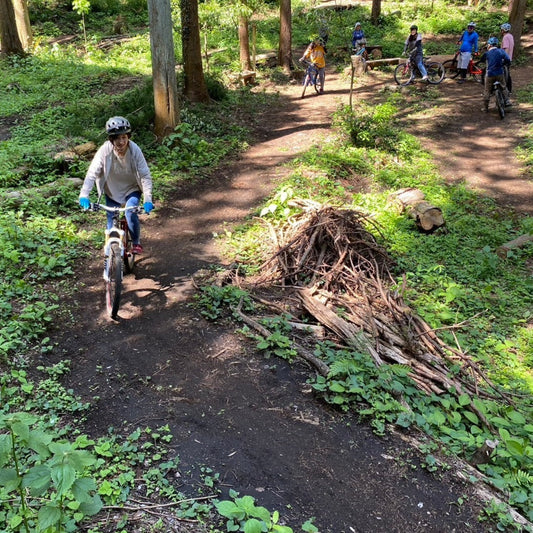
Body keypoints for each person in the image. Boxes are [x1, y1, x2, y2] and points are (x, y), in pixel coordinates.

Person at [79, 116, 154, 255]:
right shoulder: (104, 151)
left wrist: (148, 199)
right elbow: (92, 173)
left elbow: (145, 175)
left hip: (132, 189)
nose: (121, 142)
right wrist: (84, 195)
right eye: (117, 138)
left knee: (130, 213)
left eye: (124, 137)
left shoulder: (134, 150)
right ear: (111, 139)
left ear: (128, 137)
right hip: (112, 191)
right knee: (111, 221)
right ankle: (111, 255)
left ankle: (136, 243)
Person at [478, 37, 512, 112]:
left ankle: (485, 108)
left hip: (489, 74)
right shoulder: (501, 51)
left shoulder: (487, 53)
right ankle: (507, 101)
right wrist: (504, 63)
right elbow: (508, 59)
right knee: (503, 87)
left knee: (487, 90)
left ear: (489, 45)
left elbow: (482, 60)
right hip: (499, 73)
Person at [500, 22, 514, 93]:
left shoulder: (505, 37)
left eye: (501, 29)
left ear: (503, 30)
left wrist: (504, 58)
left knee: (504, 74)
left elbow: (506, 48)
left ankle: (505, 89)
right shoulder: (510, 36)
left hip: (505, 58)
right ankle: (509, 89)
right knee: (507, 74)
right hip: (509, 57)